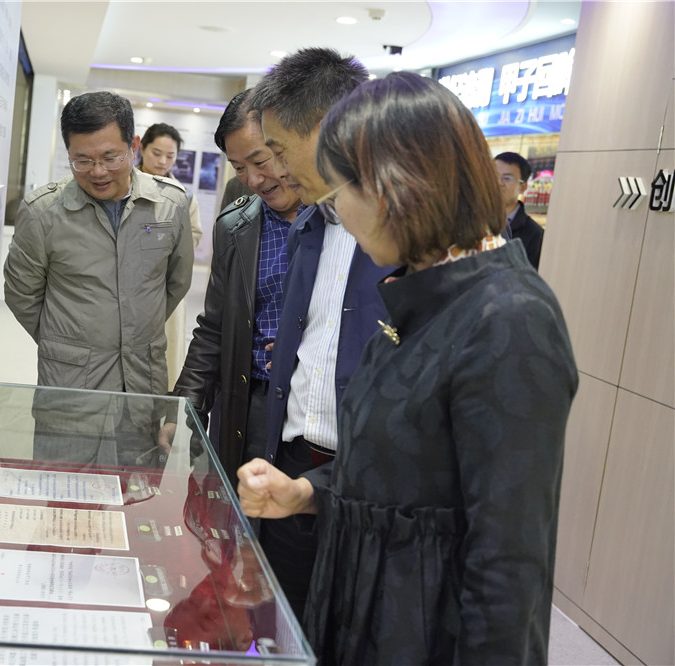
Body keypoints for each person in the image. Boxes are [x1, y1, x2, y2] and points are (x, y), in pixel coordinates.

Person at [238, 72, 579, 664]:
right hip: (365, 610)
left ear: (396, 188)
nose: (338, 213)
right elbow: (399, 476)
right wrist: (306, 493)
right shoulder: (422, 292)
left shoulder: (509, 318)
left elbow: (507, 564)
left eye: (341, 193)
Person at [246, 47, 392, 619]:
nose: (276, 170)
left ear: (328, 128)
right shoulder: (309, 225)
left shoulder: (401, 239)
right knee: (282, 618)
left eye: (280, 150)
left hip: (367, 484)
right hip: (293, 467)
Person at [4, 91, 193, 395]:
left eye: (110, 158)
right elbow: (21, 294)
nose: (98, 172)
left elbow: (176, 283)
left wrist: (134, 332)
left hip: (143, 379)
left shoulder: (170, 204)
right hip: (69, 384)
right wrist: (67, 345)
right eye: (82, 160)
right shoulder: (43, 213)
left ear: (134, 147)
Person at [162, 89, 303, 480]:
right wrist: (186, 406)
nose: (253, 180)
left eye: (260, 161)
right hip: (246, 403)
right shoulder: (235, 226)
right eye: (239, 167)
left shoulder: (342, 224)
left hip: (311, 414)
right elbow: (213, 328)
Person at [137, 122, 203, 390]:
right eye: (156, 153)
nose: (163, 161)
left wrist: (163, 243)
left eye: (170, 155)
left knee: (163, 356)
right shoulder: (121, 186)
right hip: (124, 281)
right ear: (141, 148)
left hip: (166, 282)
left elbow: (194, 234)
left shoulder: (184, 196)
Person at [495, 151, 544, 269]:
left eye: (507, 178)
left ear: (523, 187)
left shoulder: (535, 235)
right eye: (493, 176)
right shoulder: (473, 223)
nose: (498, 183)